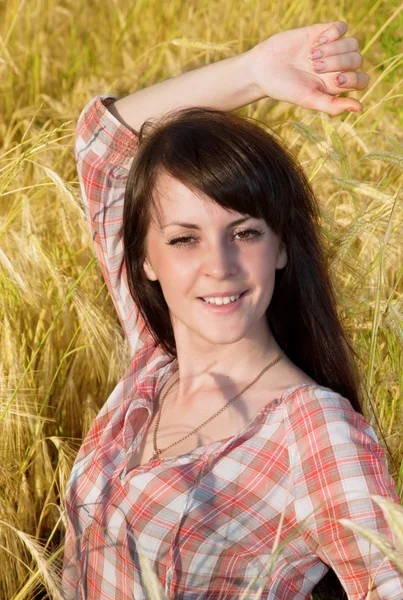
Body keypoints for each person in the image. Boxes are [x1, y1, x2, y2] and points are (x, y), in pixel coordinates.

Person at [63, 20, 403, 600]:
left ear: (281, 247)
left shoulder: (315, 435)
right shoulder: (154, 356)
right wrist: (253, 73)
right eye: (184, 239)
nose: (218, 265)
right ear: (145, 258)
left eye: (243, 233)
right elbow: (103, 144)